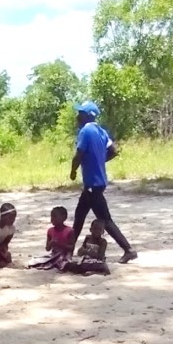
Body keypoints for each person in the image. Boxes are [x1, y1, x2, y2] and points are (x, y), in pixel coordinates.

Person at [70, 100, 137, 263]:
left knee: (105, 220)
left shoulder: (85, 131)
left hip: (92, 184)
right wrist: (100, 160)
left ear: (87, 115)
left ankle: (128, 250)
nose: (77, 116)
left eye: (80, 113)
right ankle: (68, 250)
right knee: (79, 218)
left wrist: (73, 170)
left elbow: (79, 154)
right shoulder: (101, 131)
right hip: (95, 183)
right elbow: (113, 150)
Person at [28, 206, 75, 270]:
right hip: (54, 255)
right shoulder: (50, 231)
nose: (52, 219)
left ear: (64, 218)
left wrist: (59, 244)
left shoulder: (69, 231)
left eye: (55, 216)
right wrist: (51, 243)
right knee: (36, 260)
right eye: (51, 216)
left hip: (65, 255)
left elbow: (71, 248)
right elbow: (47, 248)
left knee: (65, 263)